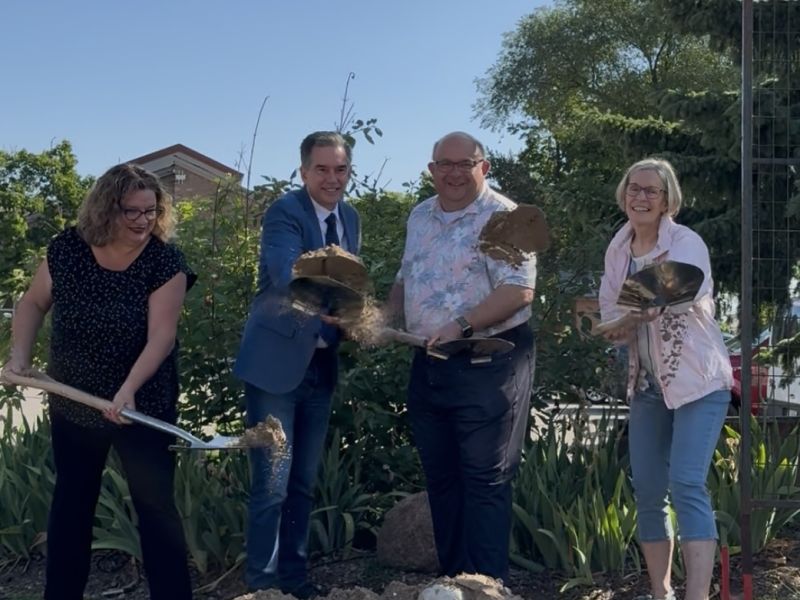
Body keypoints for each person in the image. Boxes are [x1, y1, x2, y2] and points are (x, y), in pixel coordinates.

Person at [2, 164, 196, 600]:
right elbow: (32, 303)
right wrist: (20, 357)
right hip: (74, 401)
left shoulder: (165, 261)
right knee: (72, 503)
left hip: (141, 404)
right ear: (106, 208)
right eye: (132, 211)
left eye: (151, 210)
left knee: (156, 509)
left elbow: (162, 336)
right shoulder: (67, 250)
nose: (144, 221)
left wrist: (127, 391)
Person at [388, 131, 537, 583]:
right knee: (442, 478)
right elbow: (405, 277)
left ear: (483, 167)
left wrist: (461, 325)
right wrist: (381, 318)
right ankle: (453, 585)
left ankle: (487, 588)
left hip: (489, 363)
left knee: (485, 480)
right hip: (429, 364)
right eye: (443, 164)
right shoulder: (420, 215)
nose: (453, 173)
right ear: (431, 170)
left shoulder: (506, 217)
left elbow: (519, 289)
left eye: (463, 163)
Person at [598, 158, 733, 600]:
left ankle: (696, 596)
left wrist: (636, 309)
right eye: (634, 188)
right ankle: (661, 592)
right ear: (624, 195)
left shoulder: (686, 241)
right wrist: (617, 324)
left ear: (667, 199)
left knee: (686, 483)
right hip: (648, 388)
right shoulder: (617, 249)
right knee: (650, 491)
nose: (641, 197)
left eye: (651, 191)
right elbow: (613, 320)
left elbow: (673, 287)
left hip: (698, 382)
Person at [234, 131, 360, 598]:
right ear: (304, 171)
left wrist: (356, 318)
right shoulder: (285, 212)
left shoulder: (350, 217)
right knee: (272, 483)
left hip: (322, 366)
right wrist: (342, 298)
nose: (332, 178)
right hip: (276, 368)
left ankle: (294, 580)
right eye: (322, 169)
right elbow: (291, 272)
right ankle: (262, 587)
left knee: (303, 483)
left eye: (340, 169)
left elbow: (353, 285)